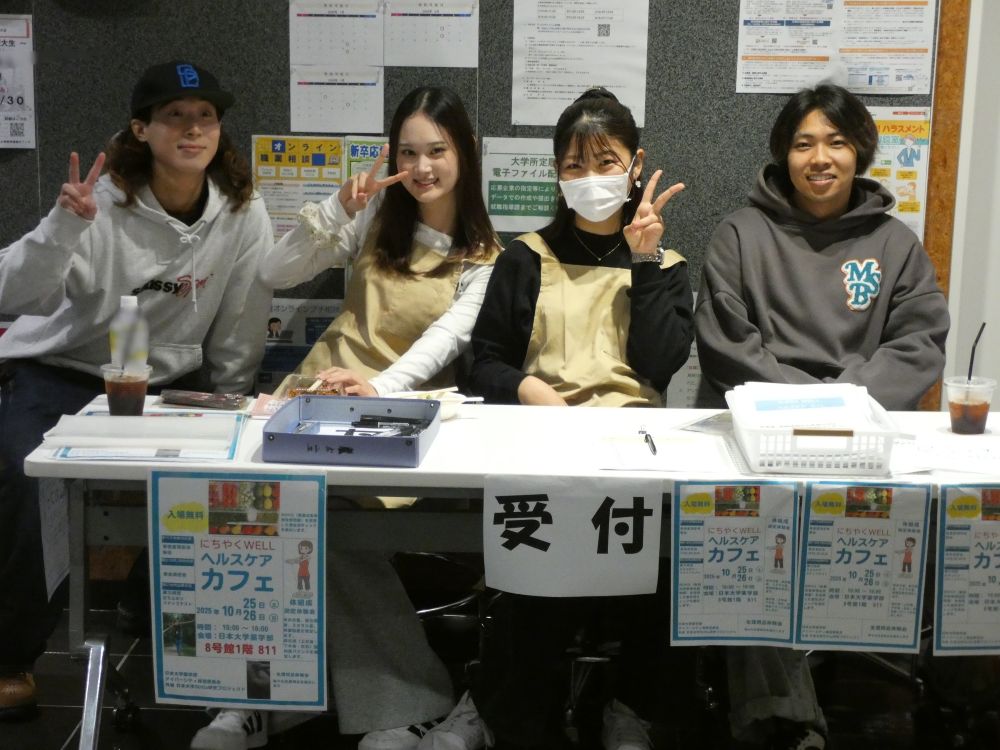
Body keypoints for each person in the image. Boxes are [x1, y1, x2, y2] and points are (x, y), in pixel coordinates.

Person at [190, 85, 500, 750]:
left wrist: (377, 388)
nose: (421, 167)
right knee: (243, 509)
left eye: (437, 151)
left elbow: (443, 341)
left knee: (321, 520)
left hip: (399, 414)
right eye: (408, 152)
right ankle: (256, 693)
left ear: (465, 153)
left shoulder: (484, 256)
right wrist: (336, 209)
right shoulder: (375, 215)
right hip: (312, 397)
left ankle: (392, 699)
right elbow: (274, 270)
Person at [0, 60, 273, 720]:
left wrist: (233, 400)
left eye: (206, 116)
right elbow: (14, 293)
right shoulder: (100, 202)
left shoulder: (242, 209)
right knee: (24, 478)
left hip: (169, 379)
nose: (193, 128)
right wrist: (61, 228)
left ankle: (152, 610)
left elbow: (240, 317)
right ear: (141, 129)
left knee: (223, 476)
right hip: (65, 371)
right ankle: (11, 655)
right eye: (175, 116)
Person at [695, 83, 949, 750]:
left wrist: (845, 404)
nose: (820, 158)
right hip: (762, 443)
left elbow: (919, 342)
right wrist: (804, 406)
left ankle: (943, 702)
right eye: (804, 143)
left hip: (864, 438)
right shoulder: (739, 235)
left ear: (859, 150)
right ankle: (783, 723)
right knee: (750, 537)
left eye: (836, 142)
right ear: (784, 153)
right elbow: (726, 345)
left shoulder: (894, 244)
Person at [464, 88, 693, 750]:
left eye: (606, 161)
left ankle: (630, 707)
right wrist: (527, 386)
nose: (590, 177)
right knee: (534, 564)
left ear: (635, 165)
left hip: (633, 454)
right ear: (557, 174)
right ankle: (513, 715)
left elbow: (660, 364)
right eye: (574, 164)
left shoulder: (667, 266)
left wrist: (644, 261)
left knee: (662, 564)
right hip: (545, 446)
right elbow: (482, 363)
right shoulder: (525, 257)